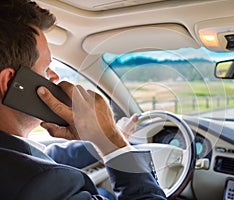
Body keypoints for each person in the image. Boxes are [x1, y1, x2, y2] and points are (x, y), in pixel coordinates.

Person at [0, 0, 166, 199]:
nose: (54, 77)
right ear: (10, 82)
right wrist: (111, 142)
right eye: (45, 69)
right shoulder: (41, 183)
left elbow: (48, 154)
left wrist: (103, 134)